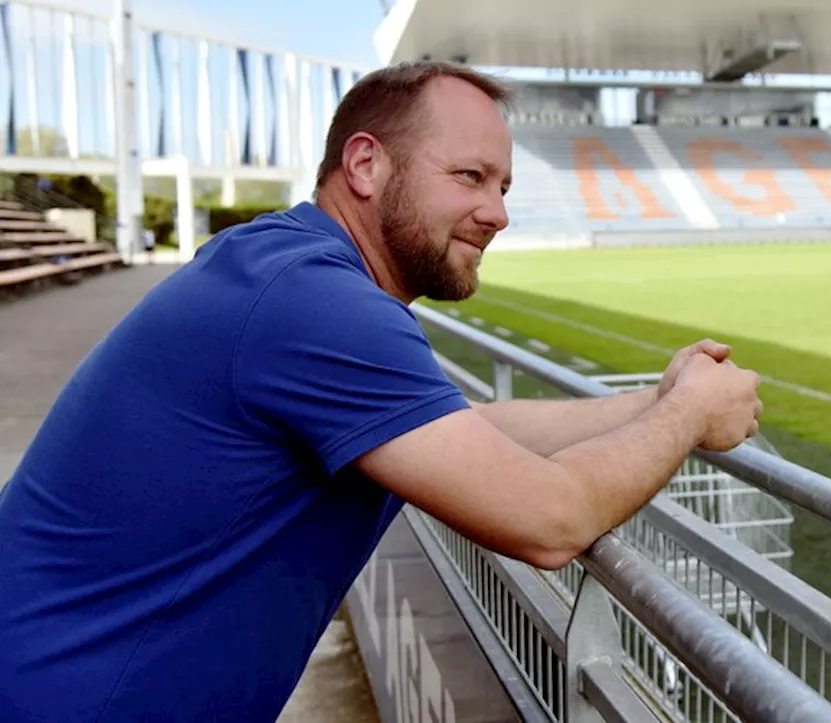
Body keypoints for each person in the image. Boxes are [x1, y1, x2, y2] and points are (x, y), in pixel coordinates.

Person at [0, 61, 764, 722]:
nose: (497, 211)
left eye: (502, 185)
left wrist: (656, 397)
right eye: (469, 176)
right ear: (365, 165)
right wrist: (690, 413)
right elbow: (551, 521)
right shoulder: (315, 302)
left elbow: (466, 432)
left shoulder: (286, 265)